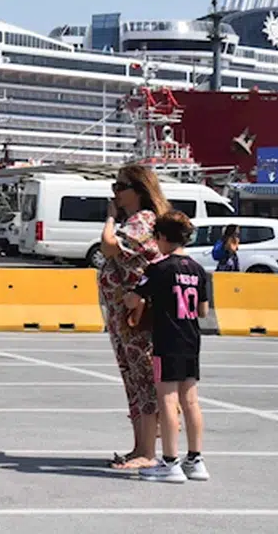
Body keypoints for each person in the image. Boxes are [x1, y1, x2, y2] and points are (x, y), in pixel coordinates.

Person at [123, 210, 211, 484]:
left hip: (166, 339)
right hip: (191, 339)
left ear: (161, 236)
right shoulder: (197, 269)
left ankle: (170, 462)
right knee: (191, 400)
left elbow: (131, 300)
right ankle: (195, 459)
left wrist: (133, 296)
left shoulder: (158, 269)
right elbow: (203, 311)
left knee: (168, 400)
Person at [99, 164, 168, 470]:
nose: (115, 193)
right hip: (124, 316)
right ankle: (139, 446)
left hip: (137, 315)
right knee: (133, 381)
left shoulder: (142, 220)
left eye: (120, 187)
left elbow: (108, 246)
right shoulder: (134, 221)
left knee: (143, 380)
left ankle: (147, 451)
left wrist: (110, 217)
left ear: (138, 191)